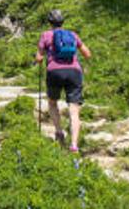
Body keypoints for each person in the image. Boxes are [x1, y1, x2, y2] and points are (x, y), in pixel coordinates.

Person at [34, 9, 93, 153]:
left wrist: (41, 58)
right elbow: (87, 53)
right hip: (74, 72)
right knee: (74, 109)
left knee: (52, 102)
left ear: (50, 22)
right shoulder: (72, 35)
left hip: (54, 72)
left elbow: (39, 58)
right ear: (63, 22)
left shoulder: (46, 35)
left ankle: (59, 132)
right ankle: (74, 145)